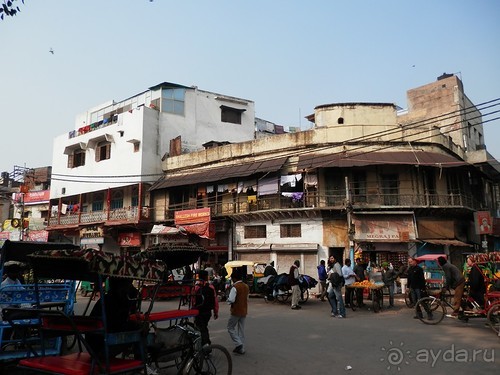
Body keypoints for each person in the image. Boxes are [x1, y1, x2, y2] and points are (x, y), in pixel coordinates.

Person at [86, 277, 140, 358]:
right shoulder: (114, 301)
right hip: (103, 347)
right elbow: (118, 324)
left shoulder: (106, 299)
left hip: (93, 346)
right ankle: (141, 365)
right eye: (128, 284)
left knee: (134, 326)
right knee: (140, 330)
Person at [192, 270, 219, 347]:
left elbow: (193, 301)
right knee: (204, 327)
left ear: (198, 277)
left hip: (198, 312)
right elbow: (215, 300)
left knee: (202, 329)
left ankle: (206, 345)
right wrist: (216, 312)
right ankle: (205, 344)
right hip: (208, 312)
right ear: (207, 277)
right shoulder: (211, 287)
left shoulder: (196, 288)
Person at [227, 270, 249, 355]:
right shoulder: (246, 286)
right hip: (244, 310)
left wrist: (228, 301)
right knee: (241, 330)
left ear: (234, 278)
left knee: (230, 327)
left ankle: (238, 344)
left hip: (236, 310)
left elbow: (231, 299)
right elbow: (247, 298)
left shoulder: (235, 287)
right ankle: (242, 348)